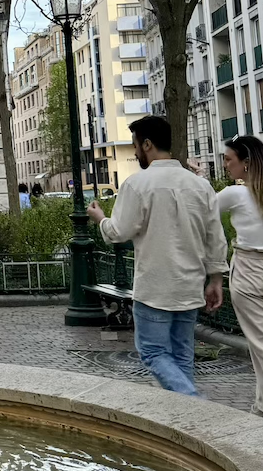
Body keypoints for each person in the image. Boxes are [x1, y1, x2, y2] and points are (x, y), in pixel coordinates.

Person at [88, 115, 226, 396]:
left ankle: (196, 406)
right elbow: (215, 237)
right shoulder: (200, 186)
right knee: (182, 355)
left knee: (152, 352)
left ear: (147, 144)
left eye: (136, 145)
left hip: (155, 286)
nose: (136, 152)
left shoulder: (137, 185)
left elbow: (119, 232)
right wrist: (216, 279)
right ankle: (185, 422)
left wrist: (100, 218)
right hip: (189, 284)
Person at [218, 136, 263, 416]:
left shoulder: (235, 194)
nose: (225, 165)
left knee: (261, 346)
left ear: (246, 163)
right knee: (261, 349)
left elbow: (201, 209)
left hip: (249, 270)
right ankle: (262, 409)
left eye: (228, 159)